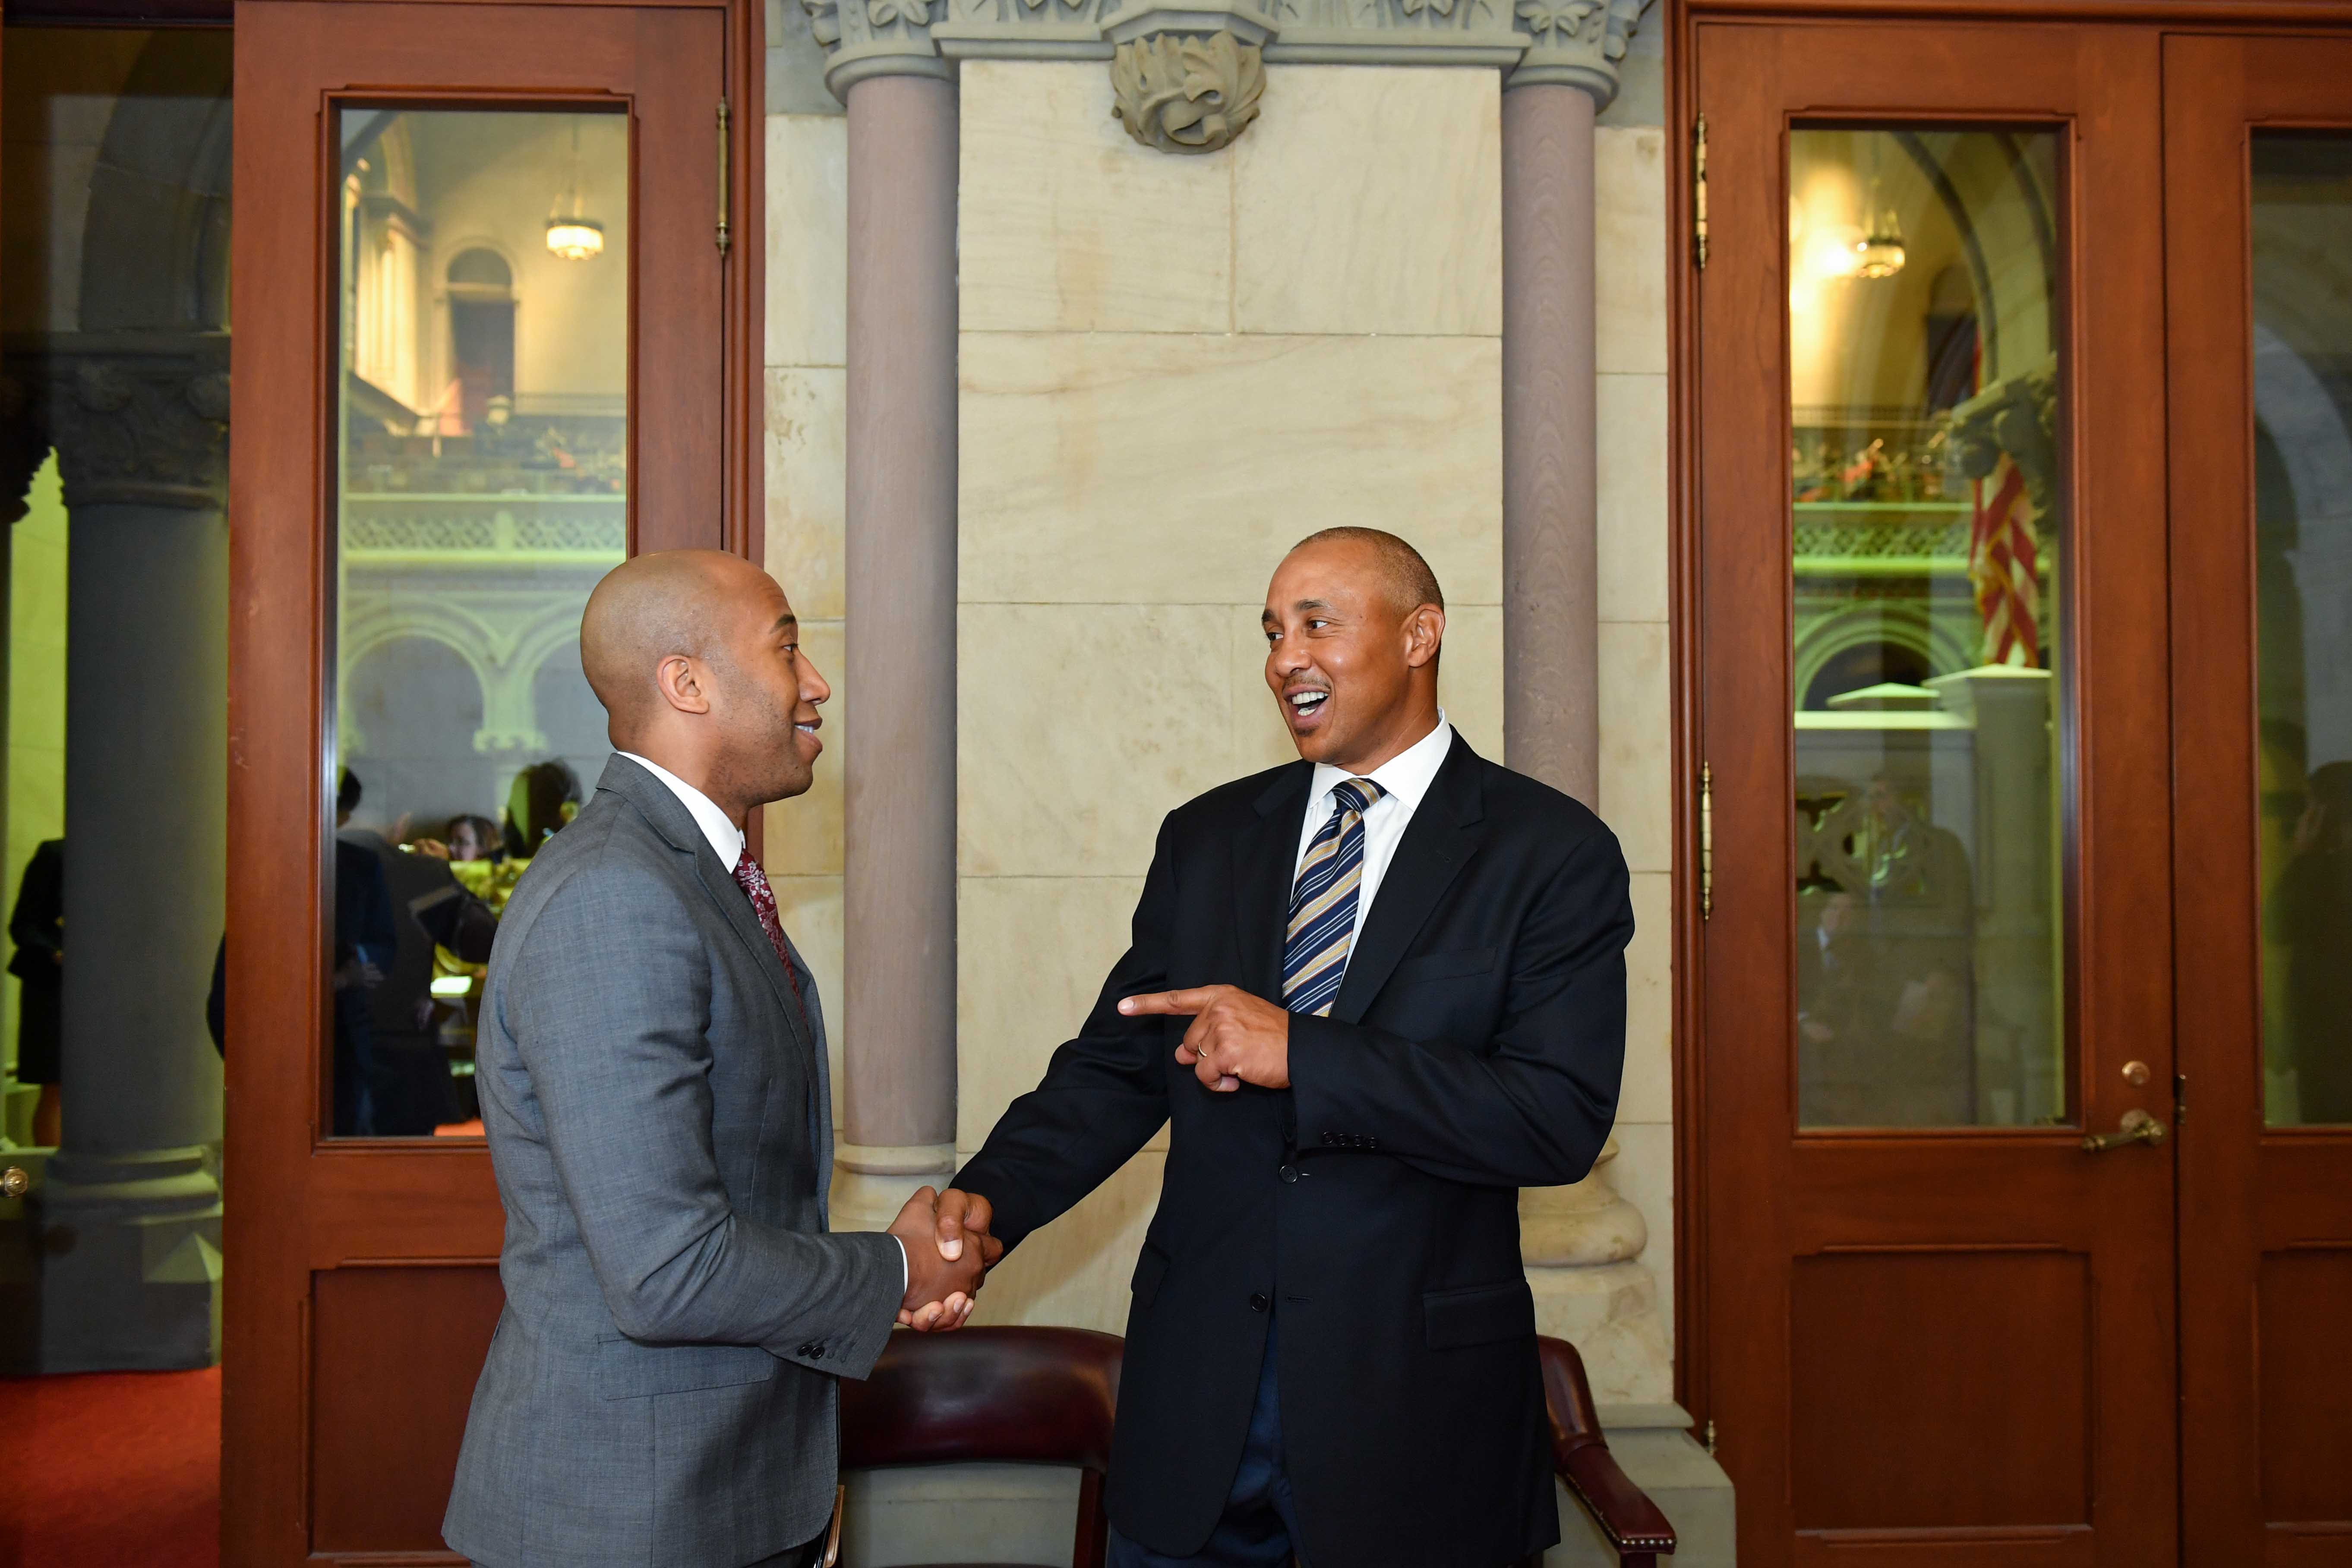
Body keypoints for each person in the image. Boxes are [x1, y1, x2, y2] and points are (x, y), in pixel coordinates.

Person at [932, 527, 1634, 1568]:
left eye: (1316, 624)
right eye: (1270, 631)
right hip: (1198, 1412)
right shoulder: (1209, 837)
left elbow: (1553, 1120)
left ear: (1419, 635)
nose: (1283, 658)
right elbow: (1121, 1065)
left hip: (1415, 1419)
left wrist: (1305, 1053)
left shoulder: (1549, 852)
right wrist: (986, 1206)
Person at [443, 550, 990, 1568]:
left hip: (724, 1493)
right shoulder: (618, 895)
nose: (816, 681)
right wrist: (897, 1268)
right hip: (633, 1516)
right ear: (686, 683)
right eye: (787, 647)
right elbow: (665, 1268)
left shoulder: (692, 877)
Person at [338, 813, 500, 1137]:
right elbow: (486, 940)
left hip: (308, 1069)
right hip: (401, 1065)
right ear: (402, 822)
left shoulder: (289, 863)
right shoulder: (422, 876)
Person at [2272, 759, 2352, 1123]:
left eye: (2309, 806)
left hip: (2331, 1052)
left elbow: (2277, 925)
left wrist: (2305, 856)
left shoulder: (2325, 874)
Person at [333, 770, 399, 1136]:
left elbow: (384, 946)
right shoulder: (265, 862)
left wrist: (354, 966)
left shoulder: (361, 866)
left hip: (348, 1035)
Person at [8, 839, 64, 1146]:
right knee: (56, 1085)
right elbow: (23, 926)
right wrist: (57, 953)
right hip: (54, 985)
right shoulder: (55, 855)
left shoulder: (120, 859)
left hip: (102, 988)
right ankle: (52, 1175)